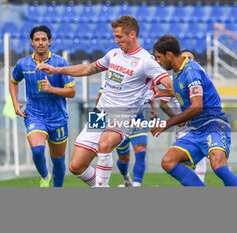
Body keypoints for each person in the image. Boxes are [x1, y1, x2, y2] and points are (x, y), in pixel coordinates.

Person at [36, 16, 174, 187]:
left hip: (123, 116)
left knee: (104, 145)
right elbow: (88, 68)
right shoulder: (113, 54)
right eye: (115, 36)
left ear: (132, 35)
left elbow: (172, 86)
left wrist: (163, 93)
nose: (115, 40)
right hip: (100, 114)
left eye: (119, 37)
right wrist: (56, 69)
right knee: (76, 166)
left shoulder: (146, 61)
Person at [152, 35, 237, 186]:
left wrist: (167, 123)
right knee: (168, 161)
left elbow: (197, 106)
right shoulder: (177, 71)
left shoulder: (191, 71)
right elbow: (183, 91)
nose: (158, 61)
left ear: (169, 54)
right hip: (197, 129)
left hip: (214, 124)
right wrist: (162, 92)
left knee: (219, 167)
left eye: (159, 57)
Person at [9, 25, 75, 187]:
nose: (40, 43)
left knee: (58, 161)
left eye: (43, 39)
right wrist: (15, 103)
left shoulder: (60, 63)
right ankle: (45, 176)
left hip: (58, 118)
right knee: (37, 150)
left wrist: (52, 89)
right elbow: (13, 82)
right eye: (37, 40)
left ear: (49, 42)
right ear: (31, 42)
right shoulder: (23, 64)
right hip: (34, 115)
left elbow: (72, 92)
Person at [159, 49, 207, 182]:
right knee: (175, 162)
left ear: (195, 61)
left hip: (199, 127)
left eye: (189, 58)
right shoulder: (174, 80)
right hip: (182, 129)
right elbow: (163, 104)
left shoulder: (198, 79)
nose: (187, 61)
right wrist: (176, 118)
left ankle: (199, 185)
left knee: (205, 162)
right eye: (184, 58)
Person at [96, 87, 157, 187]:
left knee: (141, 152)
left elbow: (152, 92)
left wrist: (154, 109)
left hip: (137, 122)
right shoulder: (113, 79)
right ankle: (126, 178)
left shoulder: (143, 76)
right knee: (124, 159)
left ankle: (137, 185)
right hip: (118, 123)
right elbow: (100, 98)